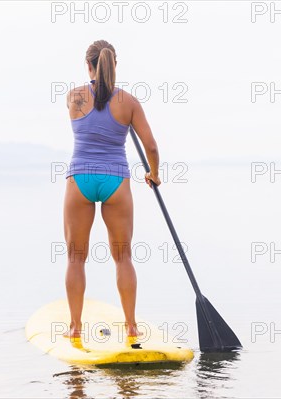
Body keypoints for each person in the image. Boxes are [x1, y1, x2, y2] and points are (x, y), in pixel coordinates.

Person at [63, 40, 161, 338]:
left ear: (88, 65)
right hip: (116, 181)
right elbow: (152, 147)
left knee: (76, 257)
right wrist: (153, 175)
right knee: (123, 257)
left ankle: (75, 328)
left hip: (80, 179)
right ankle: (131, 327)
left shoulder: (74, 97)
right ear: (114, 64)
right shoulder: (129, 102)